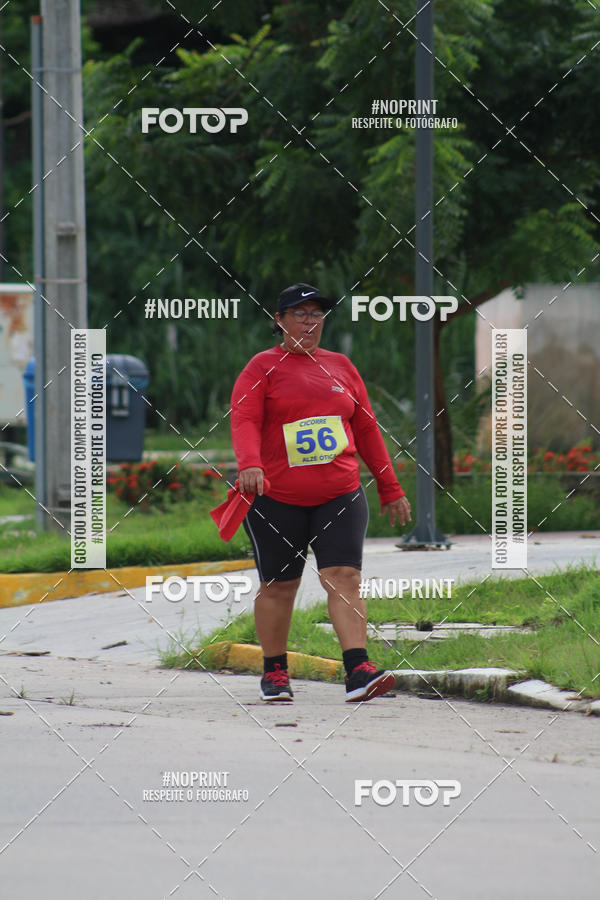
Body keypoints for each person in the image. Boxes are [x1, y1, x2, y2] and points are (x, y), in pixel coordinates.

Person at [230, 283, 411, 702]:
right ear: (279, 320)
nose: (309, 323)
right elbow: (244, 418)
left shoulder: (341, 366)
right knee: (279, 585)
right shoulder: (261, 367)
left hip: (340, 494)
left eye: (316, 314)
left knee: (345, 577)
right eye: (299, 314)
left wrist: (390, 487)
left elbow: (366, 428)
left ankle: (358, 670)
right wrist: (250, 463)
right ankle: (275, 671)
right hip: (276, 498)